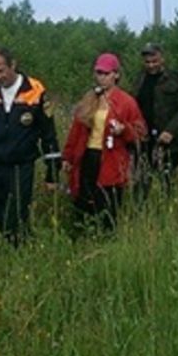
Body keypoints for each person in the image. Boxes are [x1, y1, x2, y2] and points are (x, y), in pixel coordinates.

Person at [0, 47, 61, 245]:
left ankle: (19, 254)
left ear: (13, 65)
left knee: (17, 215)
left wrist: (52, 174)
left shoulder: (36, 91)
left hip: (21, 165)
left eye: (1, 70)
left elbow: (48, 135)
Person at [61, 53, 145, 232]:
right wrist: (67, 157)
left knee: (108, 198)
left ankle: (107, 236)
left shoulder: (126, 102)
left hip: (112, 157)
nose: (102, 77)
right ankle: (82, 234)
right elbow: (75, 131)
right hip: (86, 155)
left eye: (106, 73)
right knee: (83, 196)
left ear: (116, 74)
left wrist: (124, 130)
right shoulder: (89, 99)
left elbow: (140, 132)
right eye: (99, 73)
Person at [131, 42, 178, 199]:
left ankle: (167, 213)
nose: (151, 65)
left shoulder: (176, 78)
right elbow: (133, 105)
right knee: (141, 180)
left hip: (169, 141)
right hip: (144, 139)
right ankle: (140, 213)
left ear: (162, 59)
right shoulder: (139, 79)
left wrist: (170, 131)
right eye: (147, 62)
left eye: (154, 61)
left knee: (167, 181)